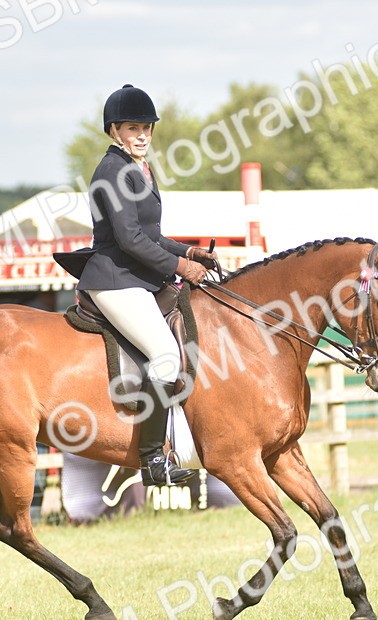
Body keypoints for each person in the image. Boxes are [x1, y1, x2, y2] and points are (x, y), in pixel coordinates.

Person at [63, 84, 219, 486]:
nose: (143, 134)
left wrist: (190, 251)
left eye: (147, 127)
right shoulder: (112, 170)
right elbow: (130, 240)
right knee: (167, 354)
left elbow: (151, 233)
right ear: (114, 130)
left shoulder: (139, 168)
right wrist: (180, 267)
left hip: (135, 277)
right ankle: (153, 460)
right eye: (134, 127)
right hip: (114, 280)